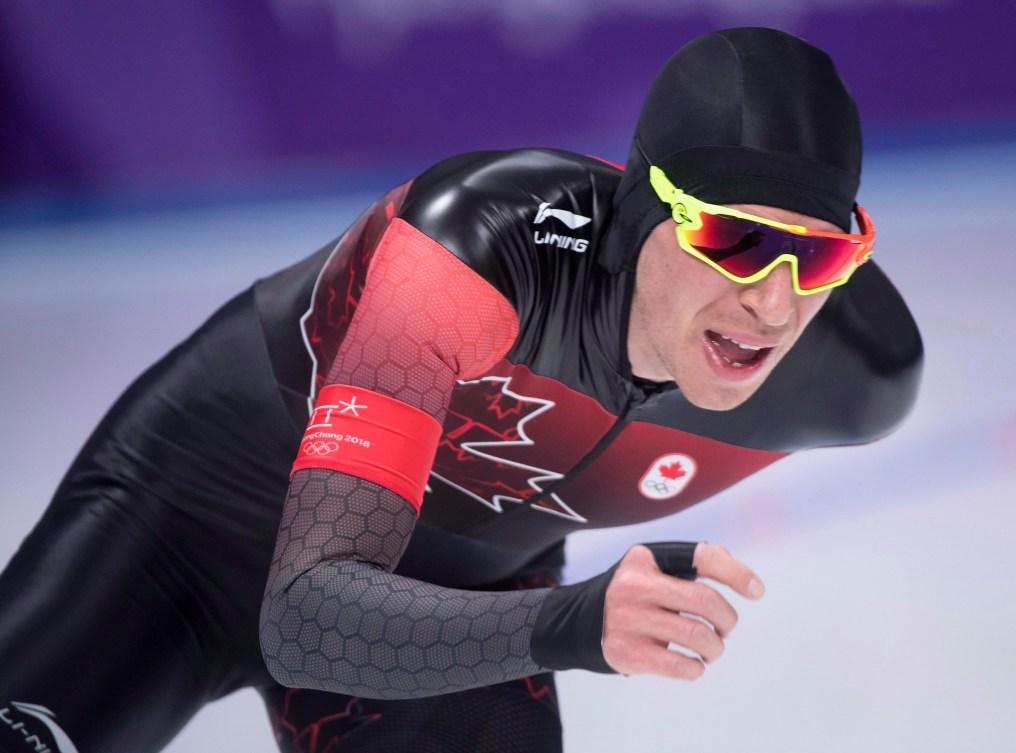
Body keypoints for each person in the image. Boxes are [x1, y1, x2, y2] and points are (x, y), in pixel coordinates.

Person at [0, 27, 922, 753]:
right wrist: (572, 621)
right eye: (733, 239)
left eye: (821, 254)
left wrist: (544, 616)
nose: (771, 301)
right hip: (185, 525)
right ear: (642, 211)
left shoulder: (854, 375)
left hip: (456, 605)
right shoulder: (471, 251)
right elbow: (307, 612)